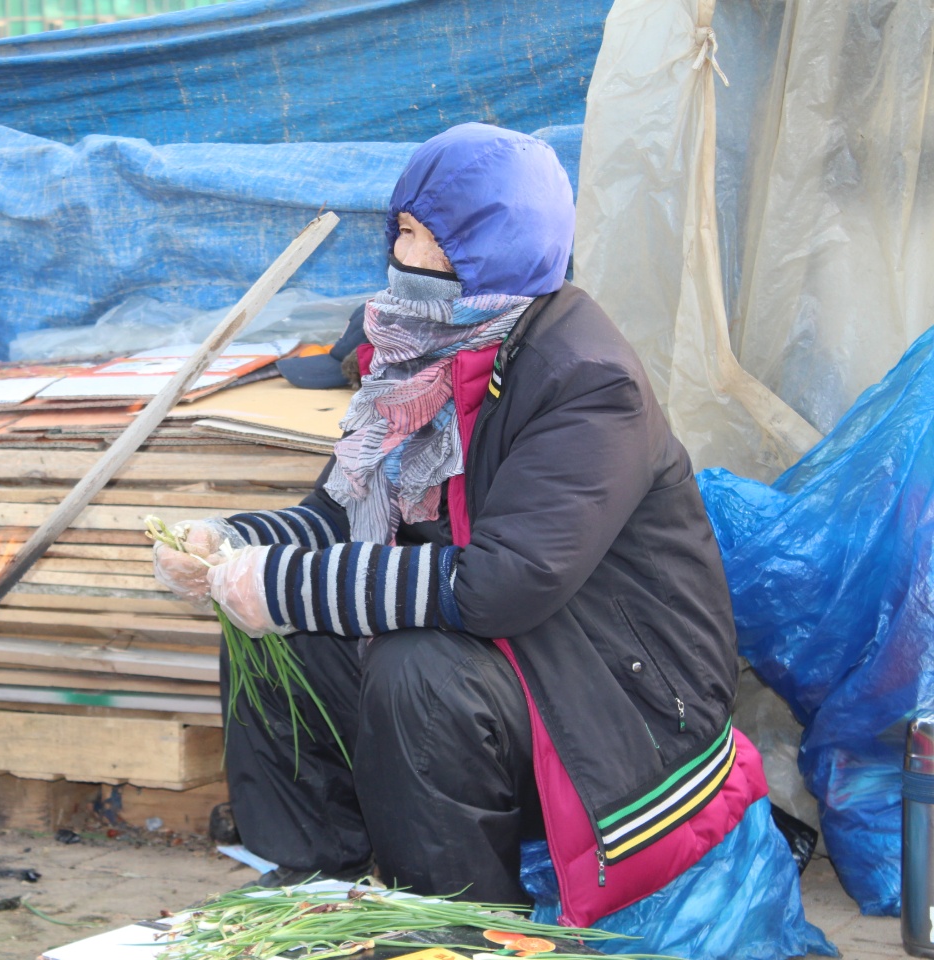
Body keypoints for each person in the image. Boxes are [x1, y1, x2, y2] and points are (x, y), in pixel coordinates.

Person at [151, 122, 769, 921]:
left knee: (420, 674)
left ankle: (454, 930)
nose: (395, 251)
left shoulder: (586, 381)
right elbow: (337, 517)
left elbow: (503, 584)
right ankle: (314, 897)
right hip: (519, 666)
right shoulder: (415, 362)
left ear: (481, 246)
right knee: (285, 636)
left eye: (414, 232)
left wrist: (282, 583)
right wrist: (234, 546)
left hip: (620, 701)